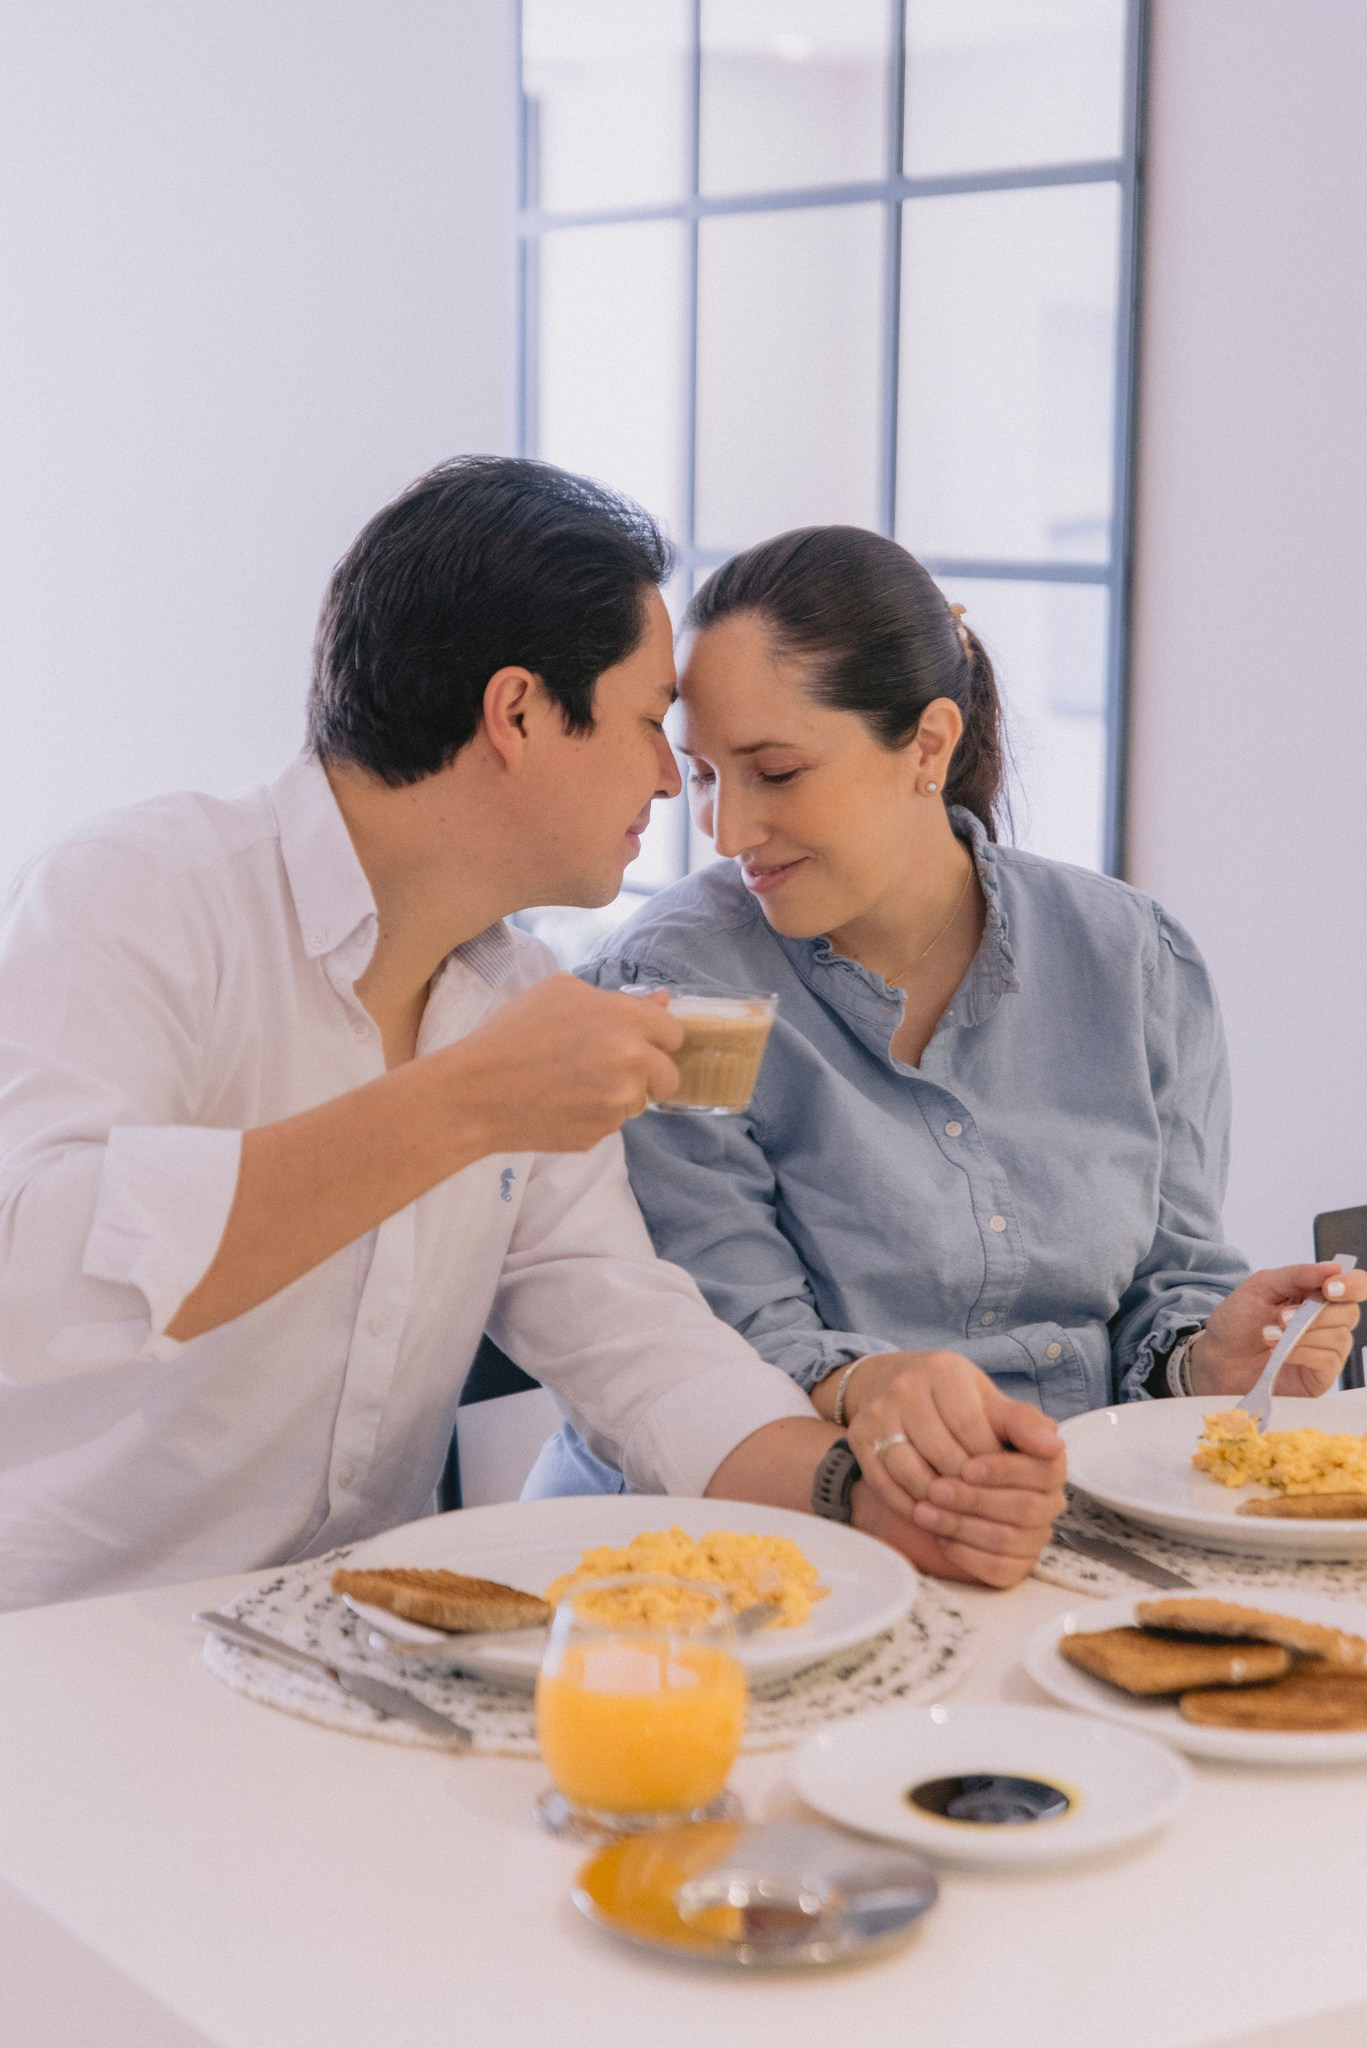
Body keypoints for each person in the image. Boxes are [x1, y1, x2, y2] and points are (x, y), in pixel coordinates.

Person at [0, 464, 1064, 1612]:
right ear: (515, 713)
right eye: (652, 723)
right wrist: (460, 1103)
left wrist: (864, 1491)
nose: (672, 783)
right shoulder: (142, 895)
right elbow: (29, 1268)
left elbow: (636, 1340)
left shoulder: (516, 999)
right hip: (59, 1650)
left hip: (355, 1649)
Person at [529, 524, 1365, 1535]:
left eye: (775, 771)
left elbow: (1166, 1281)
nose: (727, 830)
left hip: (1052, 1525)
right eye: (704, 774)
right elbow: (729, 1342)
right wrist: (875, 1383)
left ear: (926, 743)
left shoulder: (1133, 958)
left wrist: (1207, 1359)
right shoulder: (675, 985)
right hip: (754, 1537)